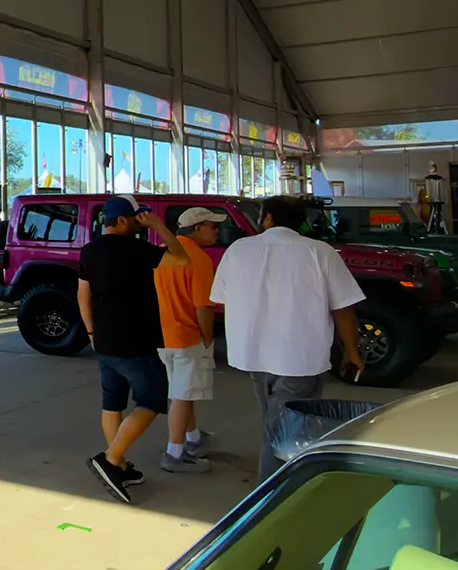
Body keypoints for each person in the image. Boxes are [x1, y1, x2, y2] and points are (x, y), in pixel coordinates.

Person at [207, 195, 367, 480]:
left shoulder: (238, 250)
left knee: (276, 421)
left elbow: (220, 297)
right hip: (299, 356)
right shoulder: (320, 252)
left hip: (252, 353)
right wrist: (351, 350)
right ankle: (270, 492)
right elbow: (343, 306)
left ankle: (279, 481)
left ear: (268, 218)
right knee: (283, 427)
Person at [76, 195, 189, 502]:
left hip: (103, 340)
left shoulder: (89, 250)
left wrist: (90, 332)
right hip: (135, 340)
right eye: (137, 219)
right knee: (153, 396)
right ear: (124, 221)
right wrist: (158, 226)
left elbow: (82, 295)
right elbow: (180, 258)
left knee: (112, 401)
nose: (140, 224)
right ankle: (111, 460)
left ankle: (121, 465)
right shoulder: (139, 250)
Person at [153, 206, 224, 475]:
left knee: (184, 390)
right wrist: (207, 338)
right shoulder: (199, 259)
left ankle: (194, 438)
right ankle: (174, 452)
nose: (217, 231)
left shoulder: (162, 252)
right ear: (196, 229)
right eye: (212, 226)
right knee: (182, 395)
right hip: (188, 336)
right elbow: (203, 307)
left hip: (163, 334)